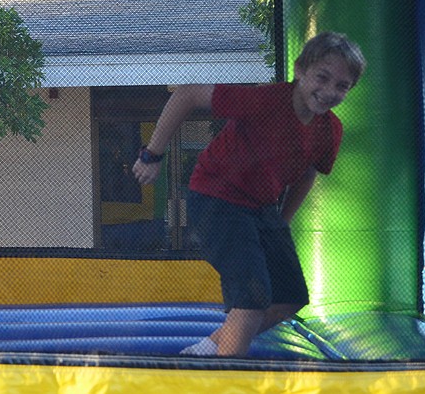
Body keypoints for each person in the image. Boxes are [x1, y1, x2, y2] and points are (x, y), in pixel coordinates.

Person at [132, 31, 366, 357]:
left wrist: (281, 223)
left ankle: (207, 349)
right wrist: (152, 155)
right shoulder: (266, 101)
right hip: (216, 197)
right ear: (300, 70)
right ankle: (226, 380)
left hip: (260, 207)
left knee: (289, 297)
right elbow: (186, 95)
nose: (329, 92)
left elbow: (308, 173)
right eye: (322, 78)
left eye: (341, 86)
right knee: (251, 300)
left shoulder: (330, 130)